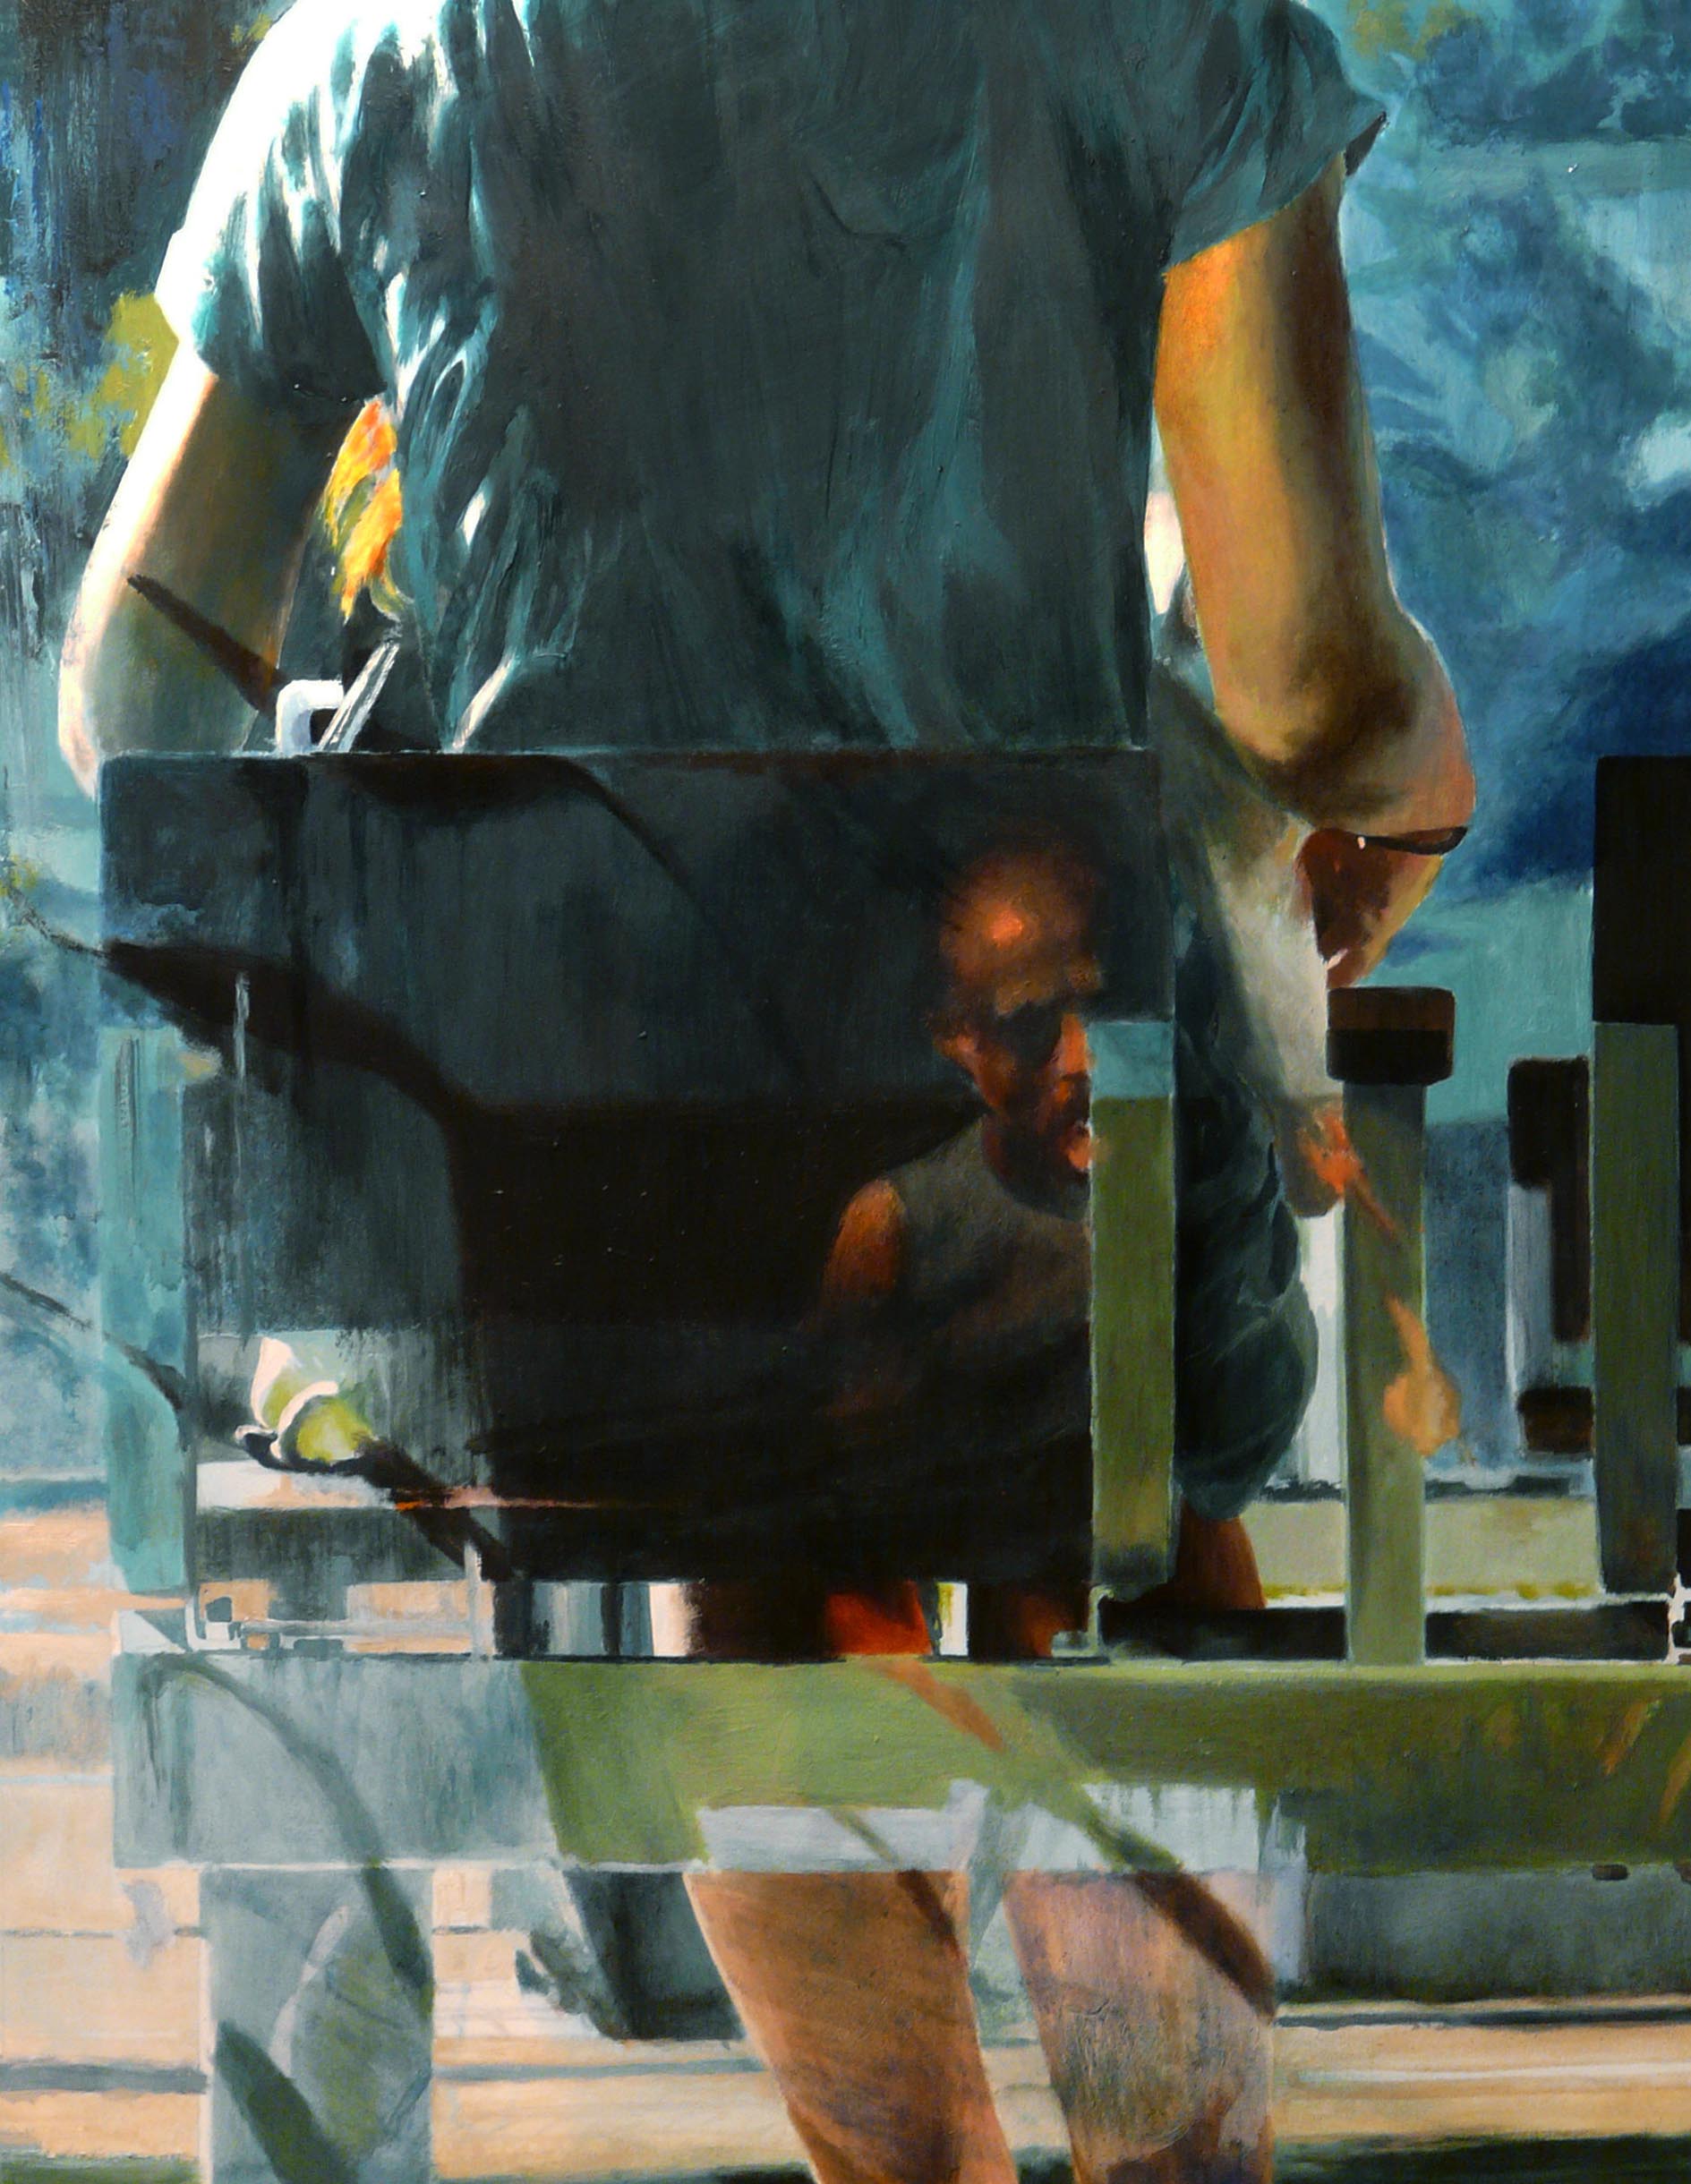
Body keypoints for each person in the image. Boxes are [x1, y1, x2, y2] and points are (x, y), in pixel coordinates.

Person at [59, 1, 1475, 2177]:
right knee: (1115, 1498)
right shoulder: (1166, 29)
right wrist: (1419, 789)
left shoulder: (363, 57)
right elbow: (1309, 684)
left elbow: (137, 684)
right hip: (1050, 1156)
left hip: (602, 1234)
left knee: (747, 1521)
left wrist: (392, 859)